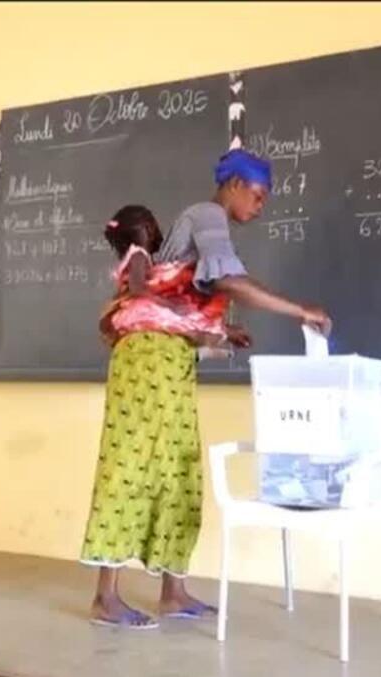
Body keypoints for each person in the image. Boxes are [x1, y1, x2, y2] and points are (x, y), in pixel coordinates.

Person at [79, 149, 331, 629]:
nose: (260, 206)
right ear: (233, 184)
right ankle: (105, 597)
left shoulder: (207, 229)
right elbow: (228, 282)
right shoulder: (207, 213)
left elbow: (182, 312)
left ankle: (172, 592)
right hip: (147, 359)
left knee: (180, 470)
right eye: (257, 195)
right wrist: (300, 311)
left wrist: (218, 336)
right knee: (132, 466)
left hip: (172, 360)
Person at [97, 204, 247, 360]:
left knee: (183, 322)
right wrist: (164, 303)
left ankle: (201, 349)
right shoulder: (138, 255)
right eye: (152, 228)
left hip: (134, 309)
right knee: (184, 321)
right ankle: (205, 347)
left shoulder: (136, 256)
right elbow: (137, 288)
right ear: (147, 230)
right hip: (142, 309)